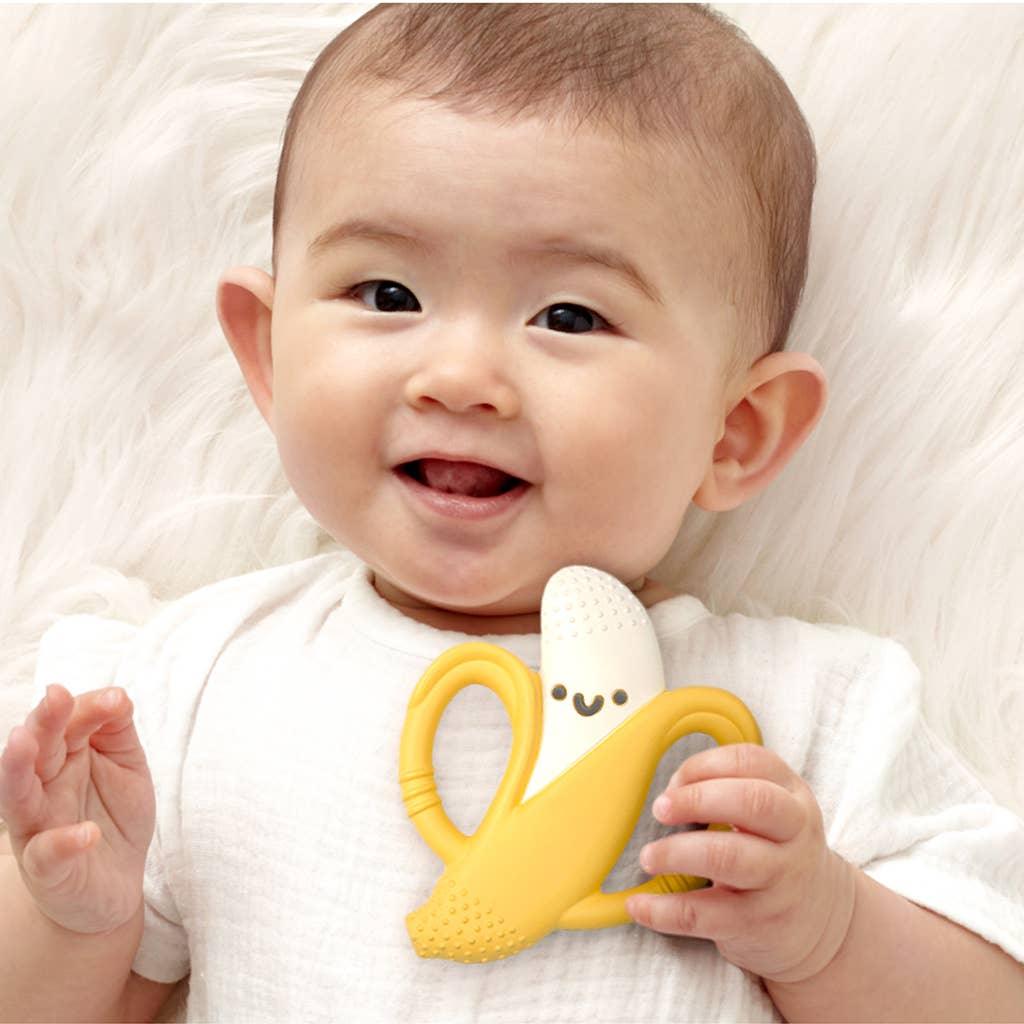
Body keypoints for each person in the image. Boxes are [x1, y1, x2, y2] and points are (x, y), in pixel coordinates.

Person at [2, 4, 1023, 1022]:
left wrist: (829, 931)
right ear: (268, 353)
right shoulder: (184, 690)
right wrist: (76, 925)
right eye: (388, 294)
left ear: (735, 432)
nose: (459, 377)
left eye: (569, 315)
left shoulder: (813, 715)